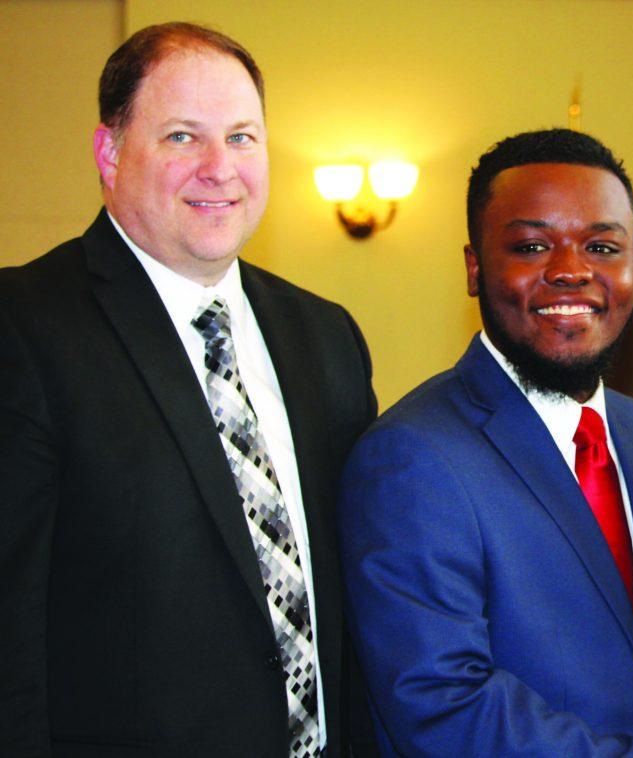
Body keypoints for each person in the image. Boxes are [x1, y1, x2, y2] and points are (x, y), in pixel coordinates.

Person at [0, 23, 377, 756]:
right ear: (110, 154)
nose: (219, 168)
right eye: (181, 137)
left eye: (242, 138)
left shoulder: (326, 336)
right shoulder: (23, 328)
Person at [339, 129, 633, 757]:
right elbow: (443, 709)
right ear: (474, 267)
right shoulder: (411, 458)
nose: (571, 271)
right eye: (532, 246)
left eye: (601, 245)